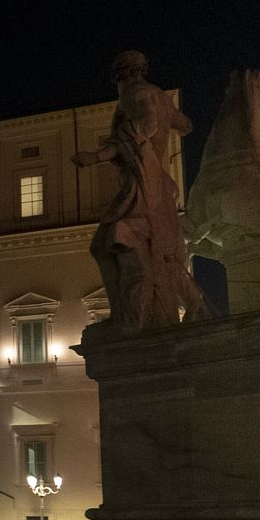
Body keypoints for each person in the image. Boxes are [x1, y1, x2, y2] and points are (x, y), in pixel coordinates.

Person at [72, 51, 211, 332]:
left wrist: (96, 156)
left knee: (110, 245)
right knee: (160, 251)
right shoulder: (160, 96)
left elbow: (143, 127)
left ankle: (130, 319)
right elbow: (186, 125)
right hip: (160, 185)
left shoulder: (133, 95)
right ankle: (191, 304)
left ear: (121, 74)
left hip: (142, 183)